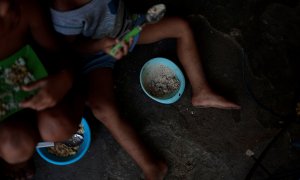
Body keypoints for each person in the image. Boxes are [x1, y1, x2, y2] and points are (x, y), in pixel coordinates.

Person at [49, 0, 240, 179]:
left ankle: (202, 91)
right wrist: (100, 45)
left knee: (182, 27)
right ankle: (151, 166)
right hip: (96, 54)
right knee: (102, 108)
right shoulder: (64, 6)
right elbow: (70, 48)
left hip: (127, 29)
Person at [0, 0, 83, 179]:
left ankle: (24, 149)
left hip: (41, 93)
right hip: (6, 125)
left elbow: (60, 54)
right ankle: (18, 159)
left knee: (59, 126)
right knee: (15, 146)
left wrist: (65, 79)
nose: (6, 9)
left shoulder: (24, 8)